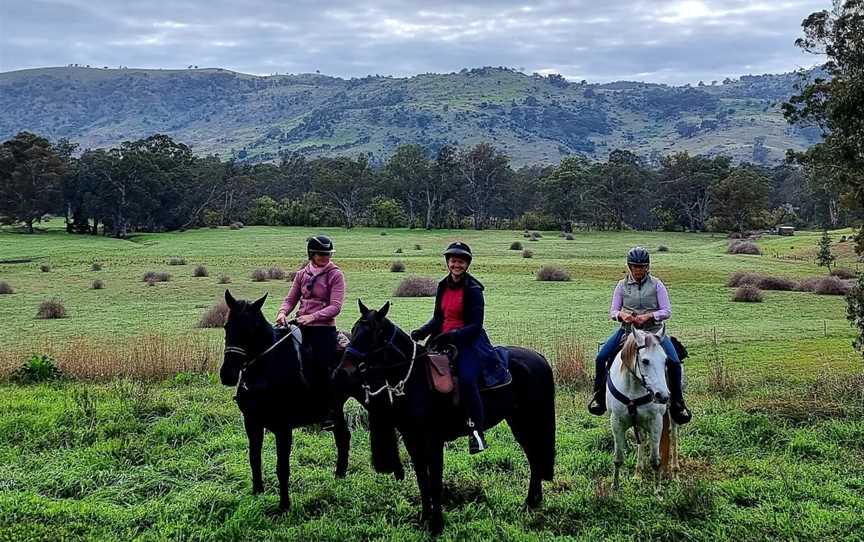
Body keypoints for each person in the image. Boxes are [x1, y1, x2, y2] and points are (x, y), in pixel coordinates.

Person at [588, 246, 692, 424]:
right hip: (628, 332)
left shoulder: (657, 284)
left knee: (674, 361)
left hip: (654, 332)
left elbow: (666, 311)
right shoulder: (621, 285)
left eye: (642, 266)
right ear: (629, 267)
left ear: (647, 267)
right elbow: (613, 310)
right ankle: (599, 397)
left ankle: (678, 403)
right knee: (601, 357)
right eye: (635, 266)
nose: (638, 270)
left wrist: (650, 316)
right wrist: (621, 315)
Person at [411, 241, 497, 454]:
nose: (456, 264)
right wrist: (421, 332)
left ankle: (477, 431)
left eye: (460, 261)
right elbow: (438, 318)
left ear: (467, 264)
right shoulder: (442, 285)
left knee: (467, 379)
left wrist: (453, 335)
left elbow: (476, 326)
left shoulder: (474, 290)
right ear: (447, 263)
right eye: (453, 260)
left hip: (468, 342)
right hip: (442, 340)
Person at [276, 234, 345, 429]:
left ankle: (328, 413)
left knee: (322, 366)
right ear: (311, 254)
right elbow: (291, 299)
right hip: (300, 325)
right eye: (321, 254)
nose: (326, 257)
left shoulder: (335, 275)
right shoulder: (301, 274)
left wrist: (312, 317)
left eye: (328, 254)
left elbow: (336, 306)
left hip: (324, 329)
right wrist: (282, 313)